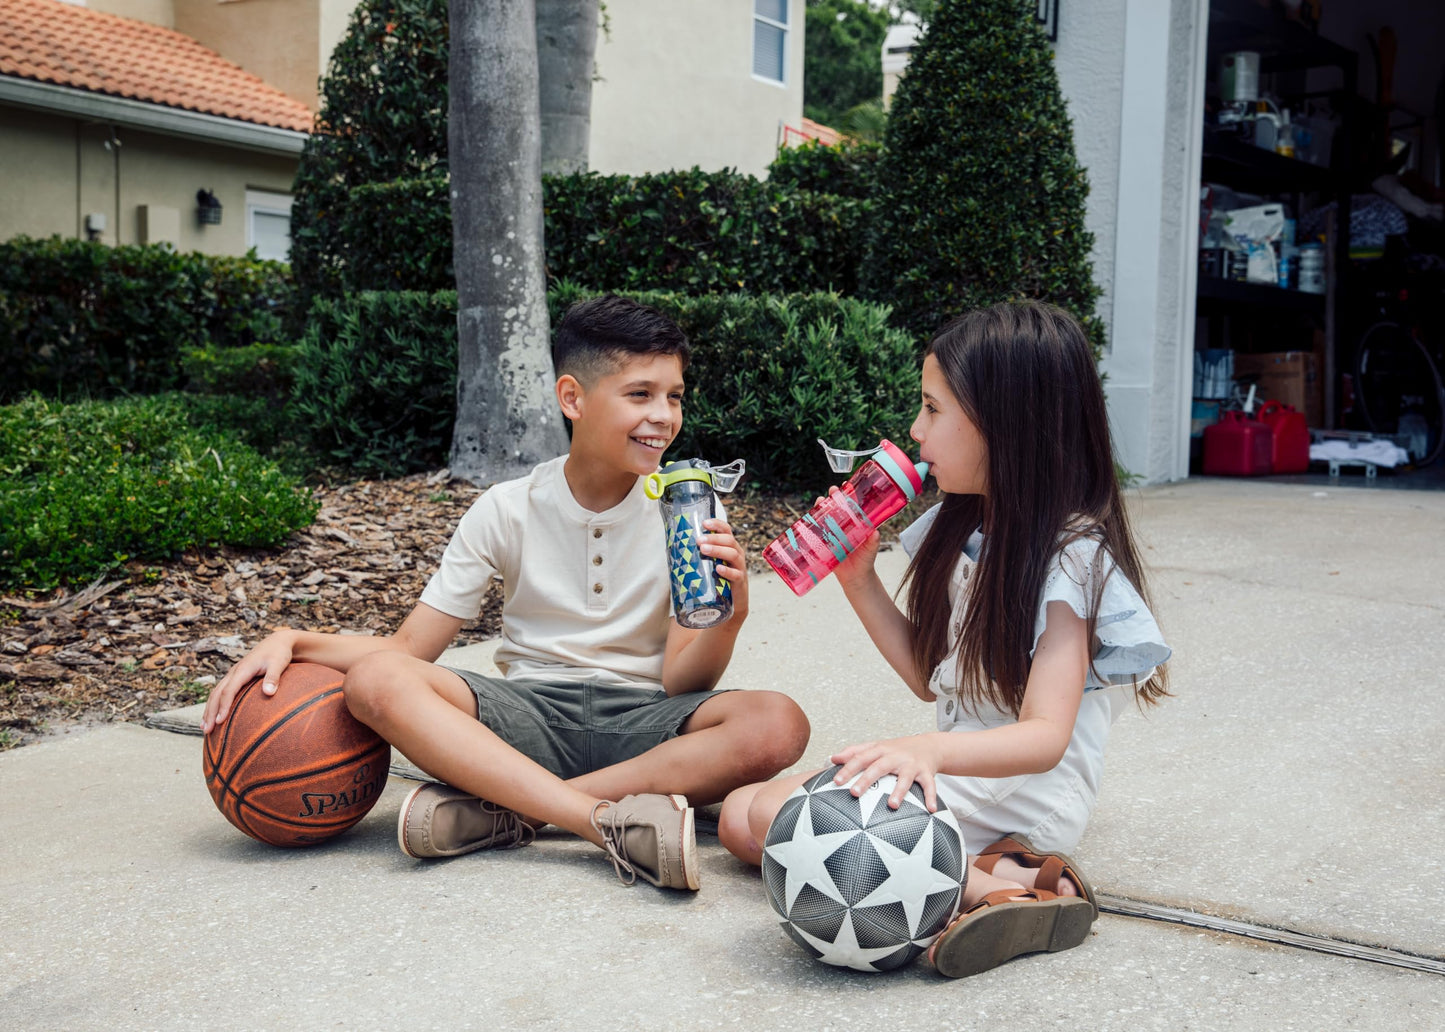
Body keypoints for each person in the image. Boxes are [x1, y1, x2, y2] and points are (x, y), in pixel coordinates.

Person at [202, 294, 810, 892]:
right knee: (378, 681)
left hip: (642, 720)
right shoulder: (506, 508)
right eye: (640, 394)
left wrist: (728, 617)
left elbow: (682, 684)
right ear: (572, 398)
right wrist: (293, 638)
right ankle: (600, 821)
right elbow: (410, 649)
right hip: (523, 718)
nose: (664, 416)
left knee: (776, 723)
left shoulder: (687, 509)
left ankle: (511, 811)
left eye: (674, 396)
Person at [718, 300, 1171, 974]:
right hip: (967, 773)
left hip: (1025, 790)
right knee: (737, 815)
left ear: (1004, 425)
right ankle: (981, 870)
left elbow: (1045, 736)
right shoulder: (972, 531)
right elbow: (926, 676)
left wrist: (922, 747)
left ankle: (1008, 892)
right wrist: (856, 579)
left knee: (772, 819)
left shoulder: (1069, 559)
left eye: (932, 409)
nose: (914, 431)